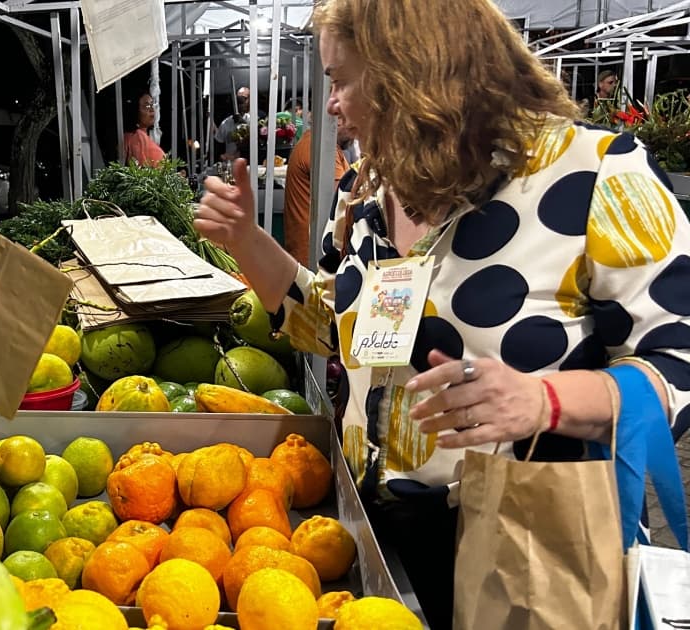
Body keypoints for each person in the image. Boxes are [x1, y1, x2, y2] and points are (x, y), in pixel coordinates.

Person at [193, 0, 689, 627]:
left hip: (528, 540)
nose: (333, 104)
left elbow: (679, 361)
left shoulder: (594, 175)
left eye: (342, 80)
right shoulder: (371, 188)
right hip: (373, 532)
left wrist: (547, 401)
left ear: (411, 72)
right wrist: (246, 241)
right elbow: (333, 326)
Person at [281, 125, 353, 264]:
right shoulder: (320, 148)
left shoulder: (320, 144)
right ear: (338, 120)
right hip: (313, 256)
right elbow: (344, 199)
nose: (355, 133)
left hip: (314, 251)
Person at [121, 92, 166, 167]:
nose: (152, 109)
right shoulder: (137, 138)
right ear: (135, 110)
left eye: (152, 104)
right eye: (147, 106)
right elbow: (141, 169)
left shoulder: (138, 136)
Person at [214, 86, 256, 161]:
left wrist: (243, 121)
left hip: (250, 164)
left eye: (243, 99)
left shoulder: (254, 120)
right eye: (238, 99)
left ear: (249, 100)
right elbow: (218, 147)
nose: (240, 102)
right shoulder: (225, 123)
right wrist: (222, 156)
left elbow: (256, 143)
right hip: (231, 165)